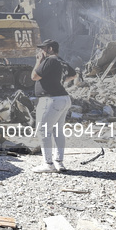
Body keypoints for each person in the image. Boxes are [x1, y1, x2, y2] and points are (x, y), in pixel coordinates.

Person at [31, 39, 77, 173]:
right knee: (58, 131)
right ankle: (59, 162)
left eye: (43, 48)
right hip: (63, 99)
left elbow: (34, 76)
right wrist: (60, 80)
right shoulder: (61, 61)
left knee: (43, 131)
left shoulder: (49, 60)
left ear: (50, 49)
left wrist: (38, 61)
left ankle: (48, 164)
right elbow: (73, 74)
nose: (41, 51)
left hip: (50, 99)